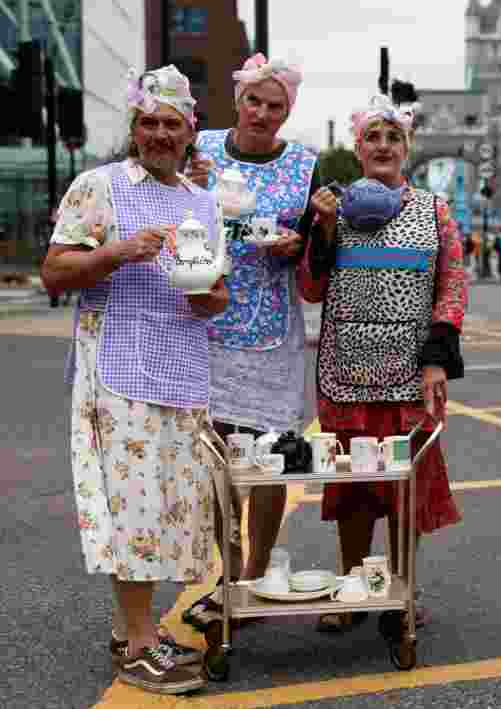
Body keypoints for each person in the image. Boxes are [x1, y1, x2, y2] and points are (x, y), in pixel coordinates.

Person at [41, 65, 228, 695]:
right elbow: (54, 272)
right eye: (148, 122)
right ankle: (141, 643)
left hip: (182, 364)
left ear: (189, 131)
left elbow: (216, 295)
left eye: (170, 123)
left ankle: (133, 630)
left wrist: (203, 293)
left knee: (174, 506)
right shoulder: (98, 187)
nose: (158, 133)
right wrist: (113, 254)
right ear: (134, 127)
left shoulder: (202, 202)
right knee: (132, 507)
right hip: (116, 365)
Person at [298, 92, 467, 633]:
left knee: (404, 487)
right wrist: (321, 231)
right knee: (351, 492)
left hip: (410, 373)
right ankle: (353, 589)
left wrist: (437, 360)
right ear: (358, 148)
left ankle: (399, 591)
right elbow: (310, 287)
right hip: (346, 374)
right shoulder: (332, 207)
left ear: (407, 147)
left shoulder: (434, 210)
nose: (384, 145)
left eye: (393, 137)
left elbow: (452, 286)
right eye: (373, 136)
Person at [178, 53, 319, 631]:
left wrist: (297, 245)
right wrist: (193, 189)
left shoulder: (305, 164)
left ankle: (258, 573)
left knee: (271, 461)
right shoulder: (201, 149)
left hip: (271, 329)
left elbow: (317, 246)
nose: (262, 113)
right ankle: (227, 571)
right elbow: (171, 209)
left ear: (288, 112)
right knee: (214, 462)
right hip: (205, 327)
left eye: (275, 105)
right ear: (238, 100)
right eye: (254, 101)